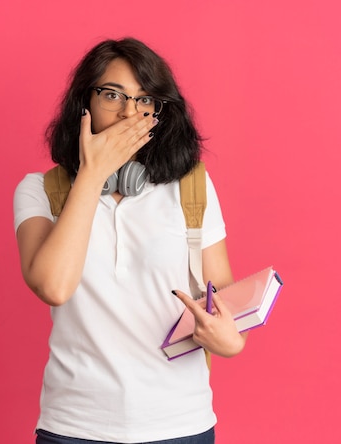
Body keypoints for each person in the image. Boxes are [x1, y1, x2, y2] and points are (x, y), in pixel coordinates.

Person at [14, 37, 248, 444]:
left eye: (145, 100)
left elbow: (223, 297)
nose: (128, 111)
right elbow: (53, 286)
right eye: (112, 95)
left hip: (181, 425)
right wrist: (92, 173)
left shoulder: (192, 186)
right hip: (74, 427)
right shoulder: (40, 190)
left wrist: (232, 340)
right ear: (84, 102)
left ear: (160, 111)